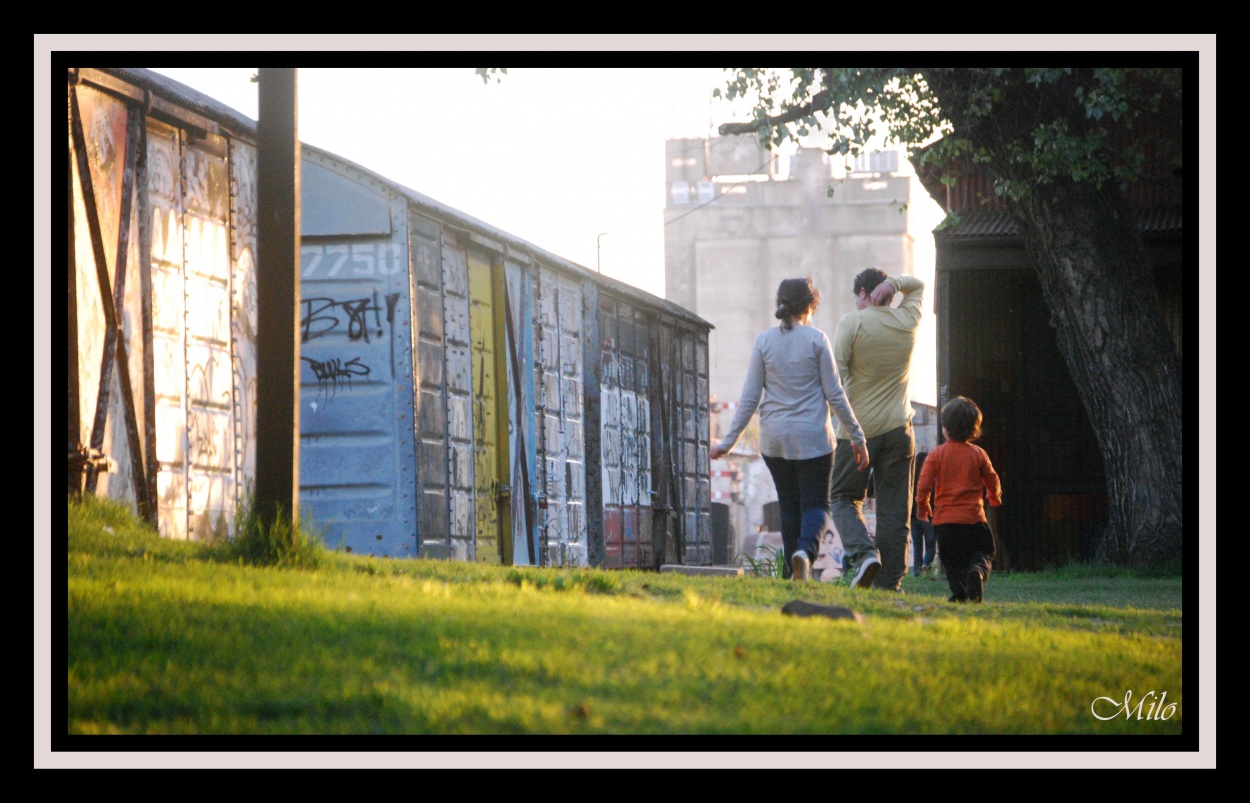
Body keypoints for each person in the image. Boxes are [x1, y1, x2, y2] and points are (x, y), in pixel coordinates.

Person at [710, 278, 869, 582]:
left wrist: (728, 442)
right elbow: (835, 394)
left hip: (774, 439)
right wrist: (857, 437)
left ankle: (790, 575)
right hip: (813, 438)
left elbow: (749, 398)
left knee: (789, 507)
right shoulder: (817, 340)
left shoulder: (763, 341)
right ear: (811, 306)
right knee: (817, 504)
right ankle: (805, 554)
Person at [830, 268, 925, 591]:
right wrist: (895, 284)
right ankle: (890, 583)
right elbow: (918, 285)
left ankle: (864, 553)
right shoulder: (906, 320)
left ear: (862, 293)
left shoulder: (851, 323)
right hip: (900, 429)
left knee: (843, 497)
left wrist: (841, 425)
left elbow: (837, 381)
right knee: (896, 511)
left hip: (857, 432)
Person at [915, 396, 1003, 603]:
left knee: (951, 562)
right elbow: (992, 478)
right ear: (975, 428)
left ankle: (961, 593)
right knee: (984, 551)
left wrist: (922, 506)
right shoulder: (978, 454)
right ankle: (978, 572)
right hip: (973, 519)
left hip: (945, 522)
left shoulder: (935, 455)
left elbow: (924, 484)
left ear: (945, 427)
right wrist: (994, 497)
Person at [911, 451, 937, 578]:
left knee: (917, 545)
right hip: (929, 515)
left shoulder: (911, 479)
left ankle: (917, 571)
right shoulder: (931, 477)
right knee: (931, 544)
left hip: (913, 517)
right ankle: (926, 564)